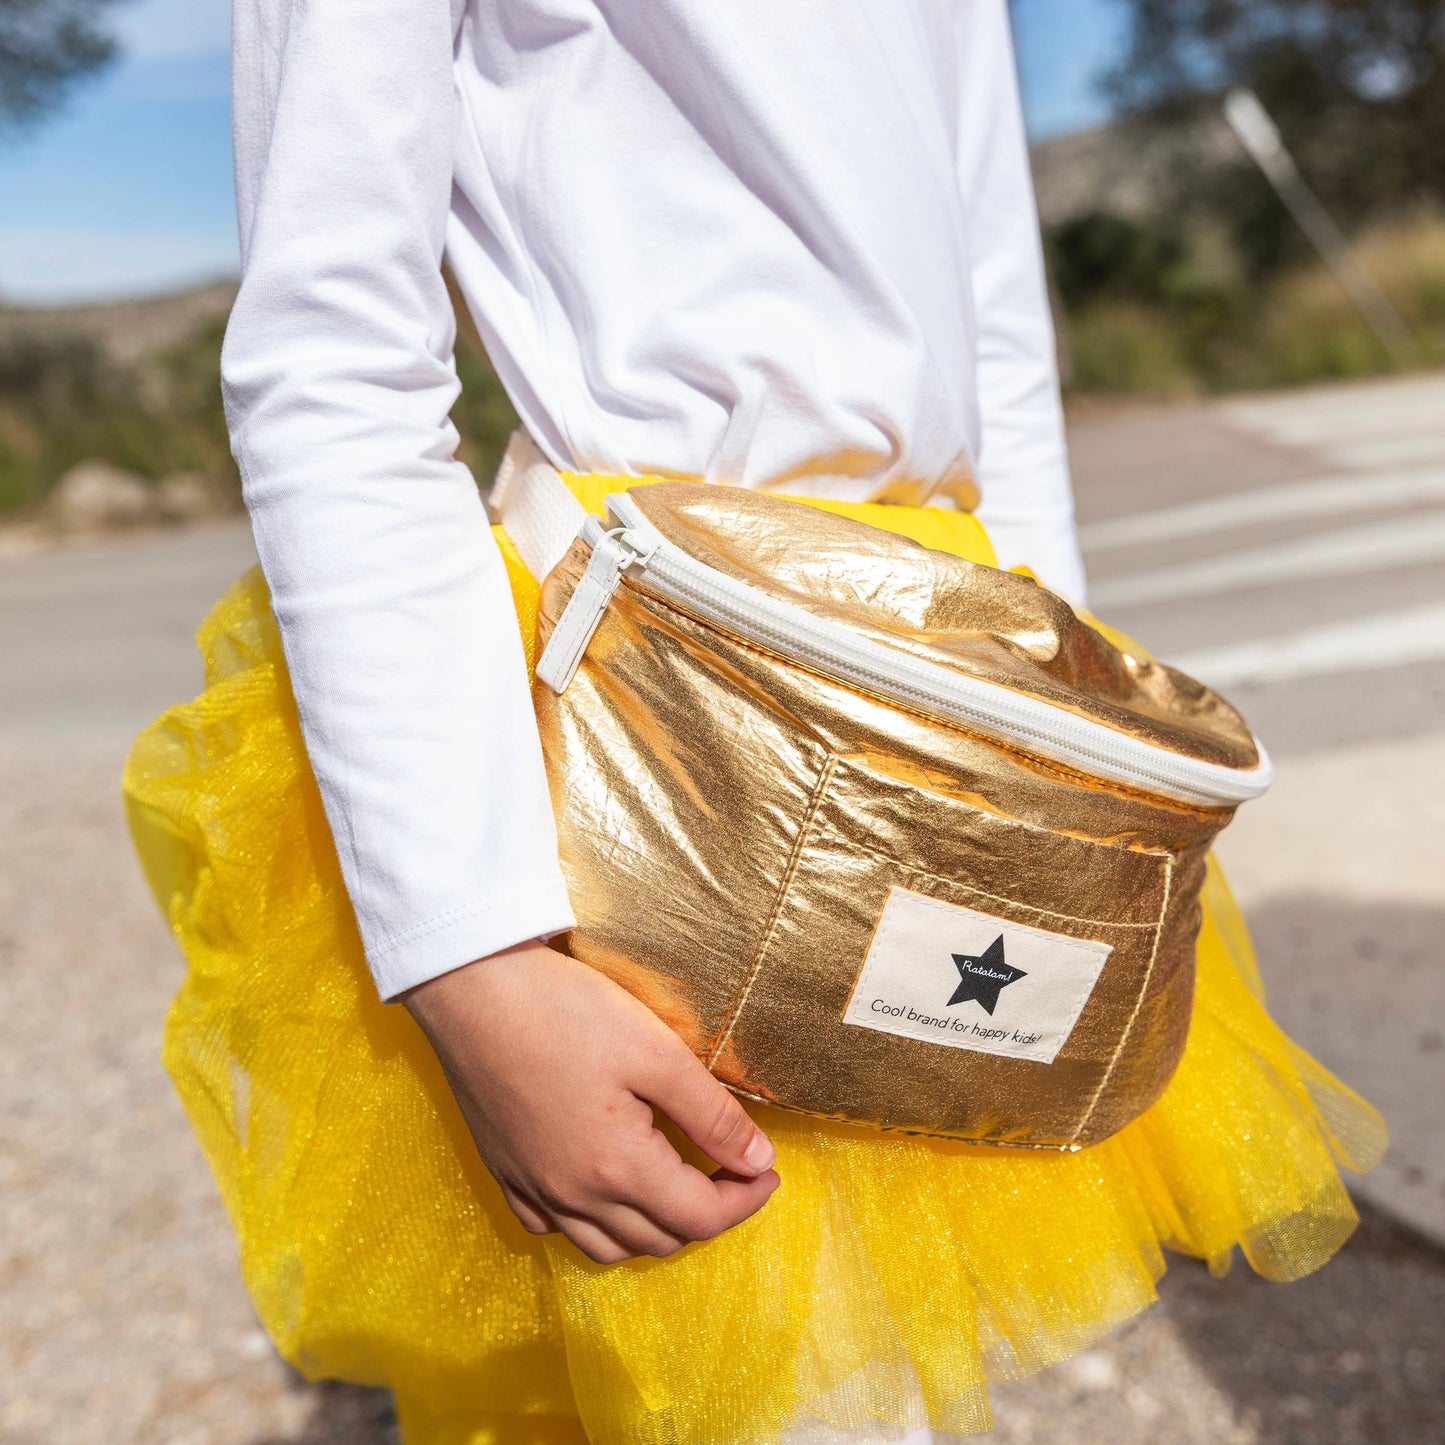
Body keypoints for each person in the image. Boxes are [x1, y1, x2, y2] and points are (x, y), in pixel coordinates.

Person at [123, 3, 1386, 1441]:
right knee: (707, 1365)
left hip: (939, 700)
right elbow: (330, 355)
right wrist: (473, 956)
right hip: (654, 739)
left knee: (872, 1378)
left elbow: (986, 314)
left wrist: (1051, 741)